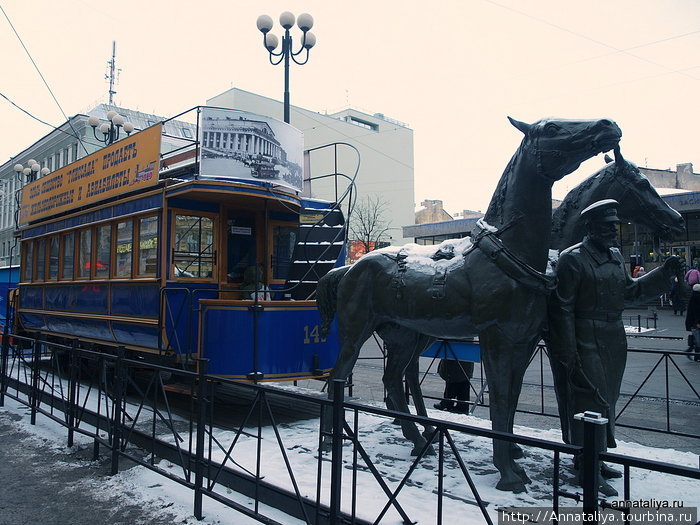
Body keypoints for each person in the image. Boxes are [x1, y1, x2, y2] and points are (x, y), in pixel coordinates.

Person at [548, 199, 681, 497]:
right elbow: (562, 309)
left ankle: (596, 457)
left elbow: (630, 292)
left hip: (613, 336)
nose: (613, 231)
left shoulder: (614, 255)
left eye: (615, 226)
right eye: (607, 226)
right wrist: (568, 352)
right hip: (585, 335)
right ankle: (586, 467)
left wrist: (663, 273)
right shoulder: (573, 259)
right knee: (588, 400)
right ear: (590, 227)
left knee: (607, 398)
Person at [684, 284, 700, 362]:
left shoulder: (694, 297)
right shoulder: (696, 298)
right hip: (695, 322)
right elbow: (696, 311)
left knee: (696, 338)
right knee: (698, 339)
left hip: (693, 322)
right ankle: (696, 355)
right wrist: (697, 322)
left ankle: (690, 351)